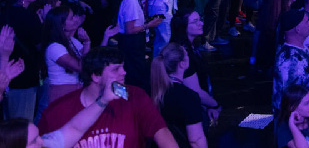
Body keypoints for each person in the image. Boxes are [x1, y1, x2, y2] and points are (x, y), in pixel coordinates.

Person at [39, 47, 179, 148]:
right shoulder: (57, 113)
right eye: (116, 69)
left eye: (123, 67)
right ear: (96, 76)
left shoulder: (135, 96)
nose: (124, 72)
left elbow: (161, 132)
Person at [0, 76, 124, 148]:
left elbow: (75, 128)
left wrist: (104, 100)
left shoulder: (45, 144)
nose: (42, 141)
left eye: (38, 137)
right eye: (33, 141)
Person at [150, 43, 208, 148]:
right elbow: (196, 140)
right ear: (182, 64)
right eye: (187, 54)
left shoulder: (153, 89)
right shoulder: (188, 97)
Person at [117, 0, 163, 89]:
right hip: (131, 43)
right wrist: (149, 25)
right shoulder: (130, 0)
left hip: (134, 42)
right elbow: (129, 29)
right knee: (135, 76)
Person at [272, 9, 309, 112]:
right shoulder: (289, 59)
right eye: (306, 21)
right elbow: (291, 99)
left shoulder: (300, 48)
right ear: (298, 29)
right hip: (301, 117)